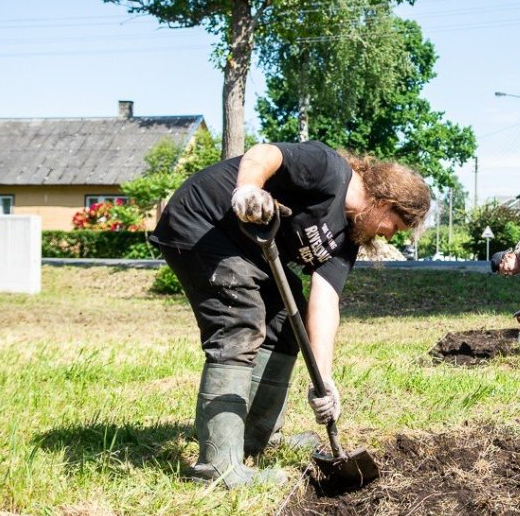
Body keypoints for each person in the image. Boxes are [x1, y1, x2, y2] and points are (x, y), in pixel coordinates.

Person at [149, 140, 431, 489]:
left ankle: (258, 434)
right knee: (240, 321)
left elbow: (325, 301)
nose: (388, 236)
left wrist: (324, 381)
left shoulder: (347, 240)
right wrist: (249, 189)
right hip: (203, 224)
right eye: (395, 227)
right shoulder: (328, 169)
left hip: (250, 250)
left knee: (286, 322)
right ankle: (217, 465)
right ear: (387, 204)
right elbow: (264, 154)